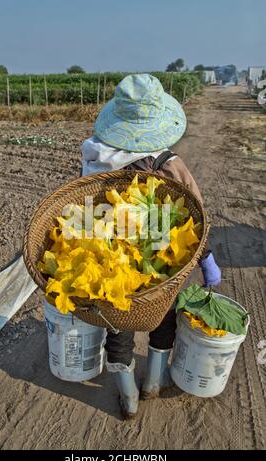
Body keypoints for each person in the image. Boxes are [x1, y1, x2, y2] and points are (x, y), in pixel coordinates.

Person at [81, 74, 221, 419]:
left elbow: (78, 213)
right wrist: (207, 258)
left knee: (118, 327)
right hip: (160, 261)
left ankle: (128, 400)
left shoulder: (95, 158)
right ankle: (153, 385)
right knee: (162, 318)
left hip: (110, 264)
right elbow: (194, 217)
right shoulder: (168, 164)